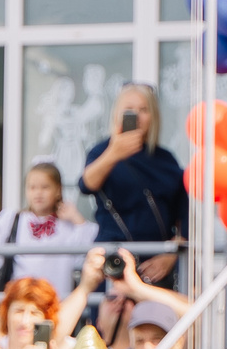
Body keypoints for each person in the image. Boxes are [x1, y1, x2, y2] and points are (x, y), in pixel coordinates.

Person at [79, 83, 187, 286]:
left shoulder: (166, 160)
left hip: (155, 267)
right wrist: (114, 153)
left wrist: (170, 255)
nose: (136, 116)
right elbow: (86, 184)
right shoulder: (101, 151)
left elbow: (184, 216)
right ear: (117, 114)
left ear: (153, 116)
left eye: (143, 110)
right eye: (129, 109)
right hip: (113, 262)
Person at [0, 163, 94, 299]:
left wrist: (77, 219)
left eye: (45, 187)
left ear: (58, 190)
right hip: (22, 300)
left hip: (58, 300)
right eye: (32, 187)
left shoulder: (67, 224)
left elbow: (87, 252)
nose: (38, 193)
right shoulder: (14, 220)